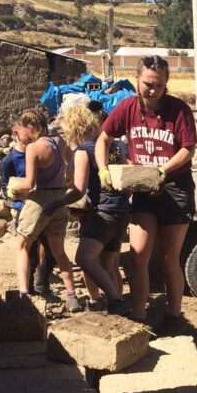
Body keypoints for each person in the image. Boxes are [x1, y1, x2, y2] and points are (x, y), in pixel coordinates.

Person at [95, 56, 197, 329]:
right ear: (137, 79)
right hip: (142, 186)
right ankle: (139, 316)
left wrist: (163, 170)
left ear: (166, 84)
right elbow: (104, 139)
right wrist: (103, 169)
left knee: (168, 259)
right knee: (138, 255)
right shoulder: (126, 107)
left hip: (174, 188)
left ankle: (174, 316)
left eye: (159, 85)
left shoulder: (179, 110)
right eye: (148, 84)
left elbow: (188, 149)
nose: (153, 90)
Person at [58, 104, 134, 315]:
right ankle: (119, 307)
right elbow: (127, 175)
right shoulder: (115, 146)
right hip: (121, 209)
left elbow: (78, 191)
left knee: (84, 258)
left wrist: (56, 203)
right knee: (109, 264)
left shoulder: (83, 151)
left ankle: (114, 301)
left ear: (72, 130)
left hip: (102, 212)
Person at [6, 108, 80, 312]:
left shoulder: (34, 148)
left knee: (22, 246)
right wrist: (65, 177)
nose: (22, 135)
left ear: (30, 127)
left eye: (23, 130)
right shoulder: (58, 142)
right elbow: (70, 168)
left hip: (39, 201)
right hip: (59, 200)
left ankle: (24, 295)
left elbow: (29, 183)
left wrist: (13, 189)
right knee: (60, 253)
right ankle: (72, 296)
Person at [0, 115, 55, 296]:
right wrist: (13, 194)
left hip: (46, 208)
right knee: (29, 254)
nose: (31, 133)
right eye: (26, 131)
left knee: (52, 252)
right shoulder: (9, 161)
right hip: (25, 211)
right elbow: (5, 187)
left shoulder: (41, 150)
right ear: (16, 133)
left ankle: (42, 283)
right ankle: (30, 291)